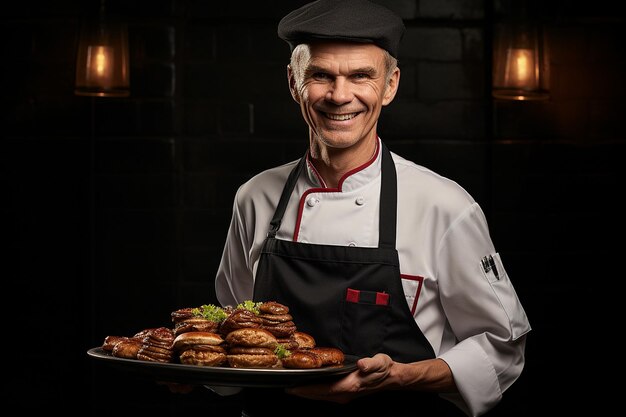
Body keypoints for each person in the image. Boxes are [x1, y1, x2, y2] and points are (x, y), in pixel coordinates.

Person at [213, 1, 531, 416]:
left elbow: (501, 350)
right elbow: (232, 330)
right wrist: (193, 370)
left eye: (361, 76)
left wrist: (401, 375)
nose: (339, 96)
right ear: (294, 82)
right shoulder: (254, 197)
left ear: (390, 85)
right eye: (321, 75)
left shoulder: (445, 206)